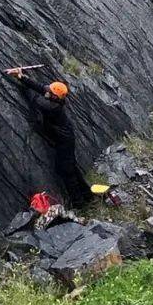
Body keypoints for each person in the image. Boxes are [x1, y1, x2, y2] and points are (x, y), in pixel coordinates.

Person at [5, 68, 93, 206]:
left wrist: (22, 79)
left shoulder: (50, 106)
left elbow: (34, 98)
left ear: (55, 97)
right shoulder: (55, 99)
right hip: (65, 137)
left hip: (64, 141)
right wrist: (21, 77)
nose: (47, 91)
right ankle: (87, 195)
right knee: (71, 167)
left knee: (66, 170)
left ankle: (79, 202)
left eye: (50, 91)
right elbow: (41, 88)